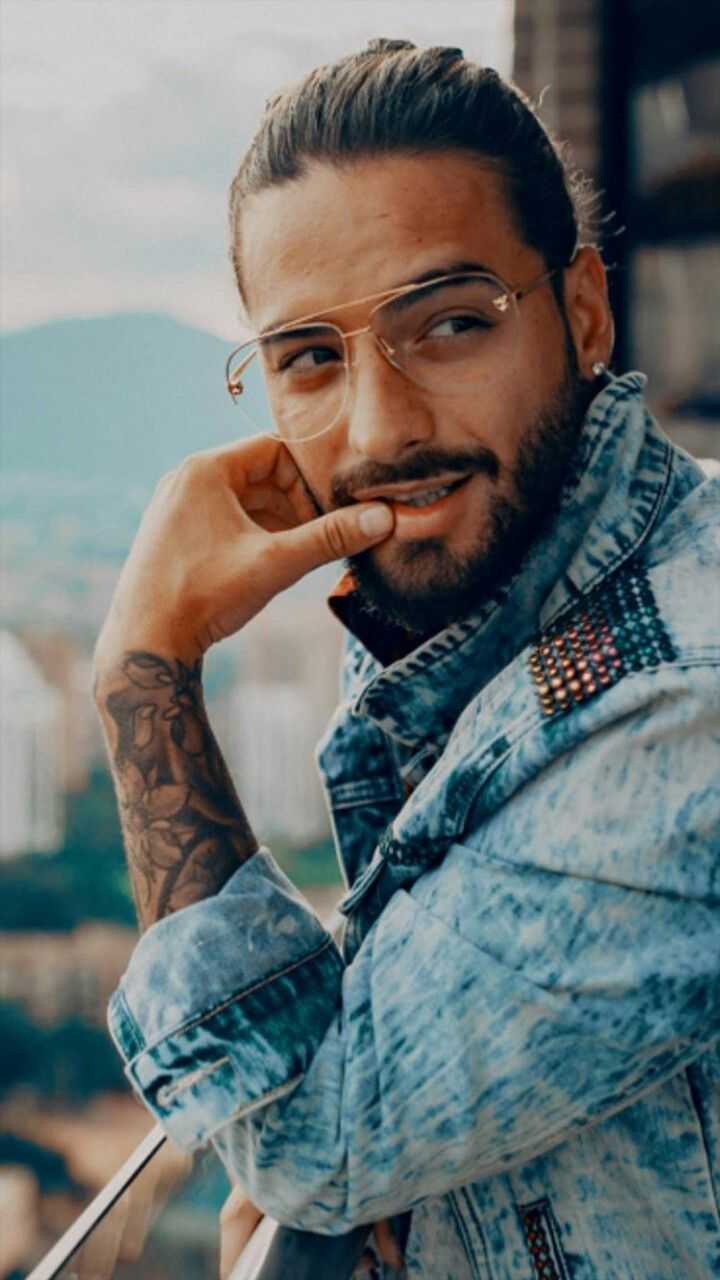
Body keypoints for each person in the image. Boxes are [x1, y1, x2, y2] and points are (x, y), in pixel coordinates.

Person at [94, 37, 720, 1280]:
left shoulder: (685, 697)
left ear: (584, 313)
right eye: (311, 358)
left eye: (450, 324)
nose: (380, 430)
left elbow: (313, 1137)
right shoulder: (490, 602)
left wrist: (144, 667)